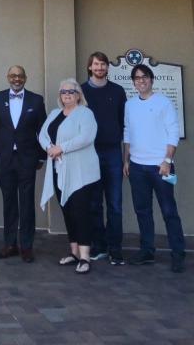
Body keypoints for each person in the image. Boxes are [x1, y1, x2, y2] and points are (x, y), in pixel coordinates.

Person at [124, 63, 186, 273]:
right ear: (133, 82)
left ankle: (178, 255)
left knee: (169, 211)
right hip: (137, 167)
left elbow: (173, 131)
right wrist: (126, 160)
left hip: (161, 168)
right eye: (136, 78)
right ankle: (147, 251)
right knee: (143, 211)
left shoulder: (163, 102)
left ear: (151, 79)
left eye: (144, 77)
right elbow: (128, 133)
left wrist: (167, 161)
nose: (140, 81)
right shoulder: (130, 105)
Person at [38, 79, 100, 274]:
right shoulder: (54, 114)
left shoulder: (85, 113)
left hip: (81, 173)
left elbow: (86, 137)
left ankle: (85, 256)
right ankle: (74, 253)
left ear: (78, 94)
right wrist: (49, 148)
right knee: (68, 211)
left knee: (81, 212)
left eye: (71, 92)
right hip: (59, 171)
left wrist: (61, 148)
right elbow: (42, 135)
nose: (67, 95)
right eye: (64, 91)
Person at [0, 65, 46, 262]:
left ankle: (27, 246)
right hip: (6, 159)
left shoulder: (36, 100)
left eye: (20, 76)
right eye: (13, 76)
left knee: (27, 202)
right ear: (7, 78)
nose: (17, 79)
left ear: (26, 78)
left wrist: (41, 157)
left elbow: (42, 131)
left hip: (27, 158)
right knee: (9, 201)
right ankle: (10, 244)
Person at [81, 51, 127, 264]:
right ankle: (98, 246)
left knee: (115, 203)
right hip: (89, 152)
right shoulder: (80, 92)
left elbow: (123, 122)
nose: (99, 68)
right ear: (90, 67)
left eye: (103, 64)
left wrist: (126, 156)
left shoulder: (118, 92)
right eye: (96, 64)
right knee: (93, 203)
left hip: (113, 153)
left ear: (108, 68)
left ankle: (115, 248)